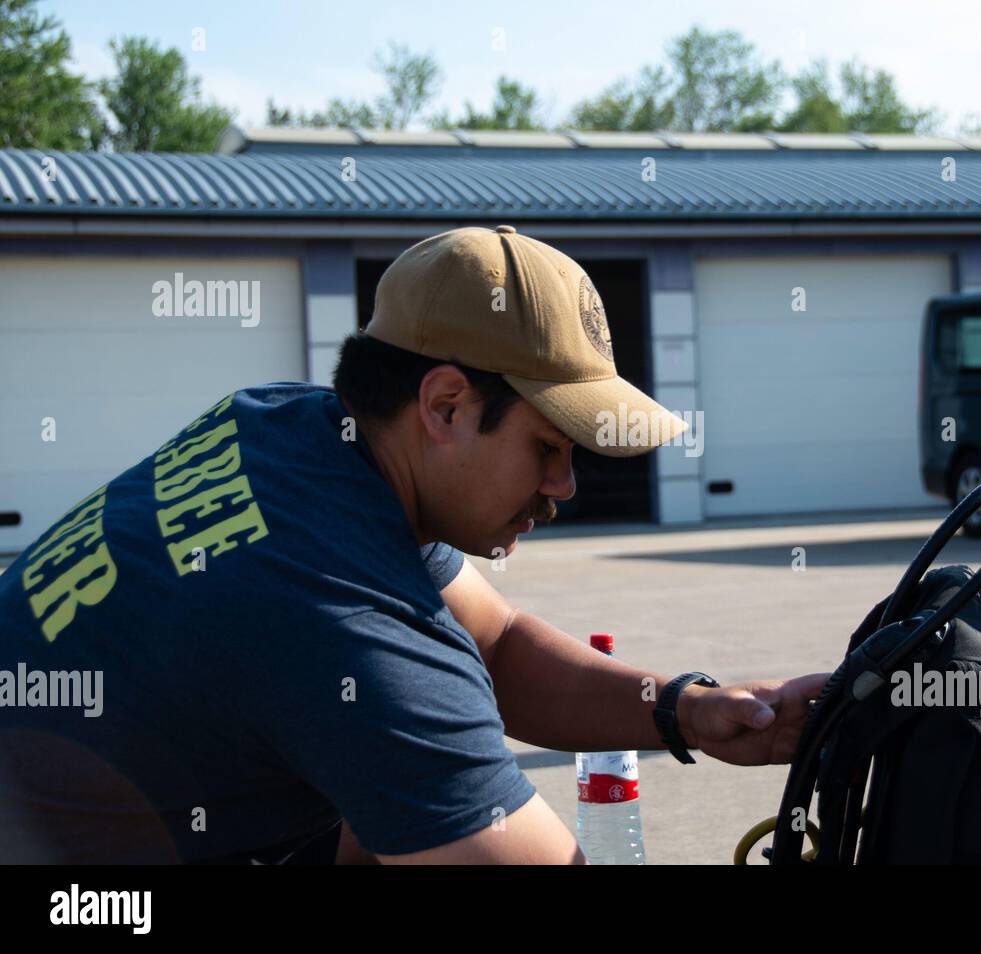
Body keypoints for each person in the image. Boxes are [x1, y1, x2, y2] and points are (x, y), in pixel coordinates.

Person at [0, 224, 829, 863]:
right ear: (444, 405)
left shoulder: (292, 427)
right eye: (548, 448)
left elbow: (497, 645)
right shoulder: (337, 619)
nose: (565, 488)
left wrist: (686, 708)